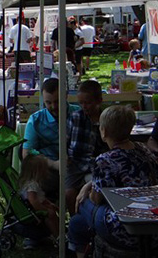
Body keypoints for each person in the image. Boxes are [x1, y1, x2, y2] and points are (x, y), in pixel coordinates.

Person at [68, 106, 158, 257]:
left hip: (124, 228)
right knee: (77, 222)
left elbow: (96, 198)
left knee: (82, 203)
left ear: (104, 131)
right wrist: (89, 185)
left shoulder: (105, 160)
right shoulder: (144, 150)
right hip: (151, 226)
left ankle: (74, 249)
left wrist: (86, 189)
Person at [22, 78, 84, 205]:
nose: (54, 107)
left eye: (57, 101)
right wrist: (54, 164)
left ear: (66, 96)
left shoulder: (78, 114)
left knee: (73, 192)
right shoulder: (36, 120)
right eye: (48, 103)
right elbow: (27, 153)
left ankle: (75, 222)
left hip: (75, 168)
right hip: (47, 170)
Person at [18, 155, 60, 241]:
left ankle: (60, 231)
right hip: (33, 208)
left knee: (53, 212)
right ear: (37, 172)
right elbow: (33, 201)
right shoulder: (32, 185)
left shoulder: (32, 183)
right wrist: (45, 209)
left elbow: (41, 197)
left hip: (39, 204)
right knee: (51, 214)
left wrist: (49, 203)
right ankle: (56, 235)